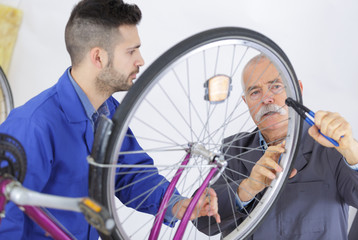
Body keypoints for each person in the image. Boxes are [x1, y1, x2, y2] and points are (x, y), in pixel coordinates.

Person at [0, 0, 220, 239]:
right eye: (131, 51)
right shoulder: (32, 125)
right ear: (98, 57)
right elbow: (5, 217)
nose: (141, 60)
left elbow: (131, 174)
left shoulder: (108, 112)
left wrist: (179, 205)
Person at [197, 54, 358, 239]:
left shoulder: (332, 147)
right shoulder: (232, 150)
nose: (267, 98)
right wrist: (248, 188)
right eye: (255, 92)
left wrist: (353, 151)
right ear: (246, 102)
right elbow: (202, 221)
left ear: (297, 90)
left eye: (275, 86)